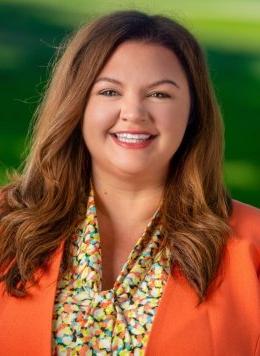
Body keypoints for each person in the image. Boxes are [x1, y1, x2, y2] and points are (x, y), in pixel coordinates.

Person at [0, 10, 259, 356]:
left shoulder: (254, 245)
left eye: (160, 95)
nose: (134, 113)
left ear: (193, 112)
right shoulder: (6, 227)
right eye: (109, 92)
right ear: (76, 104)